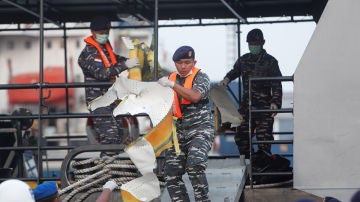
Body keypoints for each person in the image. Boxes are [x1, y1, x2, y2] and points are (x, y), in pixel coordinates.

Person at [158, 46, 214, 201]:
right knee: (170, 173)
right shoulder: (169, 79)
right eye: (179, 62)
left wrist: (172, 86)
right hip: (178, 133)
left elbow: (195, 96)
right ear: (174, 63)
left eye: (187, 62)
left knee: (195, 165)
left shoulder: (201, 77)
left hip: (200, 130)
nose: (183, 66)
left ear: (194, 62)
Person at [219, 28, 283, 167]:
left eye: (256, 42)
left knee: (263, 139)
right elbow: (234, 71)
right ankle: (251, 163)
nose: (253, 45)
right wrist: (226, 79)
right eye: (251, 43)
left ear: (263, 43)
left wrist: (275, 103)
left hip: (264, 109)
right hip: (246, 106)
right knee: (241, 136)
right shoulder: (243, 60)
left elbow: (277, 84)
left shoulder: (271, 62)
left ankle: (263, 165)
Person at [78, 16, 139, 150]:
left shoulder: (105, 48)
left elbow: (114, 59)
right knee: (110, 138)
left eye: (106, 32)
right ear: (93, 32)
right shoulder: (89, 53)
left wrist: (130, 60)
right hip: (98, 101)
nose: (104, 35)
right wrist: (126, 65)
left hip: (111, 99)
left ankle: (113, 167)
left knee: (118, 136)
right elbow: (102, 73)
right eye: (101, 33)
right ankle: (106, 167)